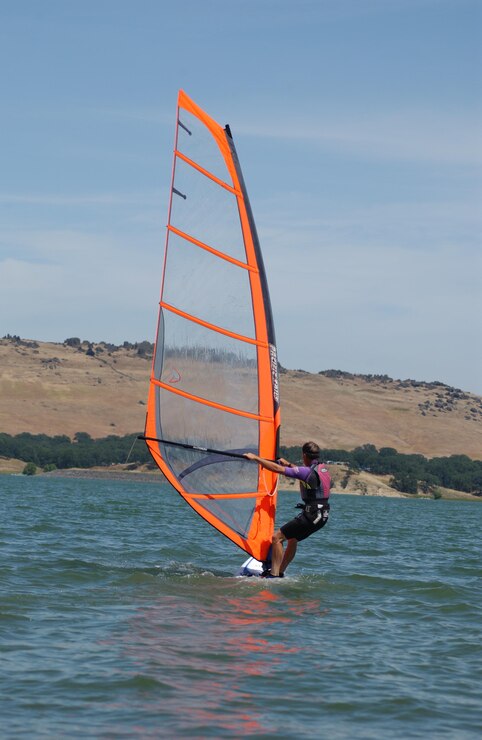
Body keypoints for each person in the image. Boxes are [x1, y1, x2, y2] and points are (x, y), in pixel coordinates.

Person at [244, 441, 330, 578]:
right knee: (292, 538)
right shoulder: (323, 469)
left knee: (277, 538)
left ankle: (273, 574)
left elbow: (278, 469)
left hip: (312, 514)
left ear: (304, 455)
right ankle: (280, 572)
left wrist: (256, 458)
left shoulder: (306, 471)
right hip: (323, 515)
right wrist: (289, 464)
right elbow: (307, 475)